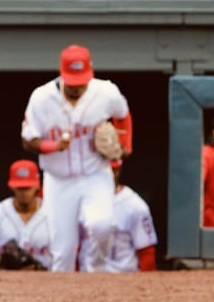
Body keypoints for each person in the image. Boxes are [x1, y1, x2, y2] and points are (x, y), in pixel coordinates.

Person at [20, 45, 132, 273]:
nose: (77, 87)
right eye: (72, 81)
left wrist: (126, 146)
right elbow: (27, 140)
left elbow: (123, 115)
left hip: (96, 173)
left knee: (102, 225)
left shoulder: (106, 92)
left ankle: (95, 270)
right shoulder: (41, 98)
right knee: (63, 250)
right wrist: (54, 146)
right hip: (59, 178)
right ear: (62, 73)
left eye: (81, 80)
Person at [0, 159, 51, 271]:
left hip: (46, 281)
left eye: (27, 187)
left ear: (38, 186)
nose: (24, 193)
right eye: (20, 188)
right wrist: (3, 260)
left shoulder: (54, 215)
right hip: (6, 283)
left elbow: (65, 256)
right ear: (11, 187)